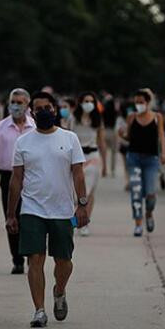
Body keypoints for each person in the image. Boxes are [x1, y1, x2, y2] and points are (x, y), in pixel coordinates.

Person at [6, 91, 88, 328]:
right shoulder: (23, 142)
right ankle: (39, 310)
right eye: (38, 109)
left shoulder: (70, 138)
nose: (43, 112)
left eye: (47, 108)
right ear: (32, 112)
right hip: (32, 209)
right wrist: (11, 213)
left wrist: (81, 205)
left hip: (62, 211)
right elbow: (16, 179)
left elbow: (78, 173)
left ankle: (59, 290)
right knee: (35, 259)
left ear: (55, 110)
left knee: (64, 261)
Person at [0, 88, 35, 274]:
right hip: (8, 176)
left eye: (19, 102)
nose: (15, 106)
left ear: (27, 105)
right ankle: (17, 259)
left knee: (31, 218)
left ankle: (32, 255)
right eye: (13, 102)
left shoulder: (35, 126)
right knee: (12, 216)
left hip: (31, 176)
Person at [122, 89, 165, 237]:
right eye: (136, 102)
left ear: (148, 103)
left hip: (151, 160)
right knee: (135, 192)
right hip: (134, 158)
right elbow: (129, 136)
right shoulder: (131, 117)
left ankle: (149, 213)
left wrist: (164, 152)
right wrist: (121, 134)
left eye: (141, 102)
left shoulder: (157, 117)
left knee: (150, 193)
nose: (138, 105)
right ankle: (138, 224)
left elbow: (161, 136)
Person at [66, 92, 107, 237]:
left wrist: (105, 163)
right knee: (75, 193)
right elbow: (67, 137)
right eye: (86, 100)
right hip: (76, 157)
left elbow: (101, 141)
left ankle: (84, 223)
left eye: (91, 101)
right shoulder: (73, 118)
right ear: (80, 102)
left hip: (93, 157)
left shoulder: (97, 120)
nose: (88, 103)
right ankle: (75, 221)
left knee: (88, 192)